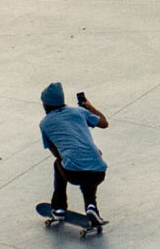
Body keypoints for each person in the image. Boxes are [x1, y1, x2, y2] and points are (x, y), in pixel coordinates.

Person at [37, 82, 109, 223]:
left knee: (59, 163)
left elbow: (57, 153)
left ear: (46, 104)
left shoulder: (45, 123)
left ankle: (59, 208)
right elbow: (104, 123)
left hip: (74, 174)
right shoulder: (79, 111)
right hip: (99, 172)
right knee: (87, 165)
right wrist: (89, 107)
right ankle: (91, 207)